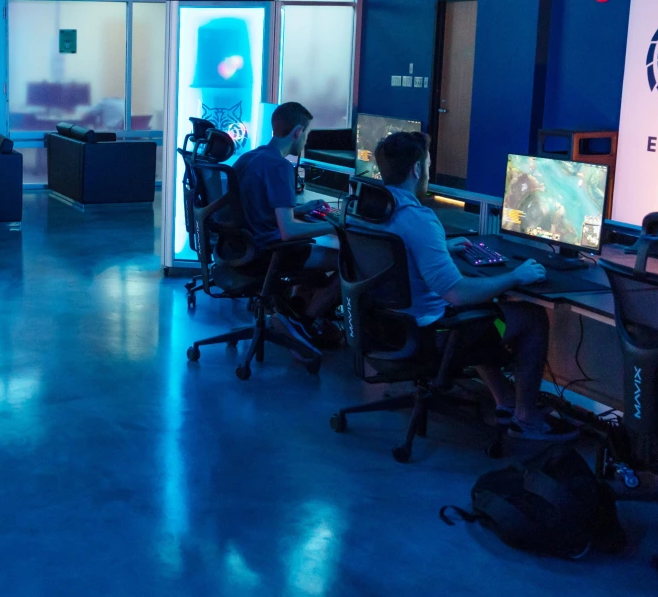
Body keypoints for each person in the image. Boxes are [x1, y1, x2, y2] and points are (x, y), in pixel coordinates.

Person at [372, 130, 577, 441]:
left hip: (388, 327)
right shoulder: (419, 219)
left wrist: (441, 248)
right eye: (427, 164)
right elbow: (457, 292)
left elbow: (403, 254)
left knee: (483, 313)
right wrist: (514, 277)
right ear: (416, 170)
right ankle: (526, 417)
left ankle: (505, 400)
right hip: (430, 335)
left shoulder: (372, 207)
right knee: (530, 317)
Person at [233, 101, 340, 352]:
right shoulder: (280, 166)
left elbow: (255, 208)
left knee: (314, 255)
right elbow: (288, 231)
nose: (305, 142)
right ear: (298, 132)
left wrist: (299, 209)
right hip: (269, 251)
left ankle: (294, 313)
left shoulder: (249, 158)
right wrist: (334, 225)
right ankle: (303, 322)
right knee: (346, 263)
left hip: (245, 248)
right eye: (307, 135)